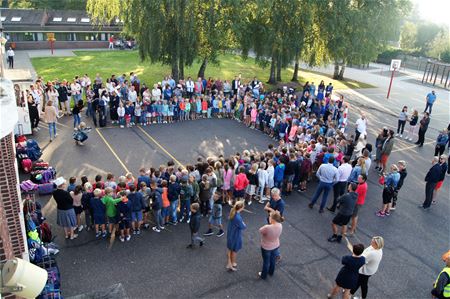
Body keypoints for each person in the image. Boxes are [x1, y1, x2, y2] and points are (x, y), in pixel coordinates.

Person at [258, 211, 284, 279]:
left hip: (266, 247)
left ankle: (263, 275)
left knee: (266, 262)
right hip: (276, 245)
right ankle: (271, 272)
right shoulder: (280, 225)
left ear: (272, 219)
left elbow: (260, 231)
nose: (269, 217)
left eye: (270, 216)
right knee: (272, 260)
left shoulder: (267, 227)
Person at [226, 201, 246, 272]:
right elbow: (243, 227)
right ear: (241, 208)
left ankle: (229, 262)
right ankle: (232, 263)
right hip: (235, 235)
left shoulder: (232, 211)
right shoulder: (238, 217)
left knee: (229, 248)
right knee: (234, 250)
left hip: (230, 233)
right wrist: (243, 222)